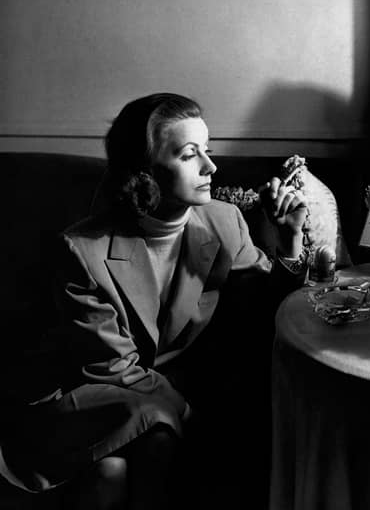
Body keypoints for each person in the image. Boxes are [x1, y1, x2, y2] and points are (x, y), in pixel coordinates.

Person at [0, 93, 308, 509]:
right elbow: (109, 367)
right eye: (189, 155)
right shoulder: (82, 250)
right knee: (154, 430)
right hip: (92, 393)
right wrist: (185, 411)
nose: (211, 166)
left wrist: (289, 241)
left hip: (165, 390)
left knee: (111, 473)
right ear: (144, 172)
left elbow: (269, 315)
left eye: (208, 150)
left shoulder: (225, 221)